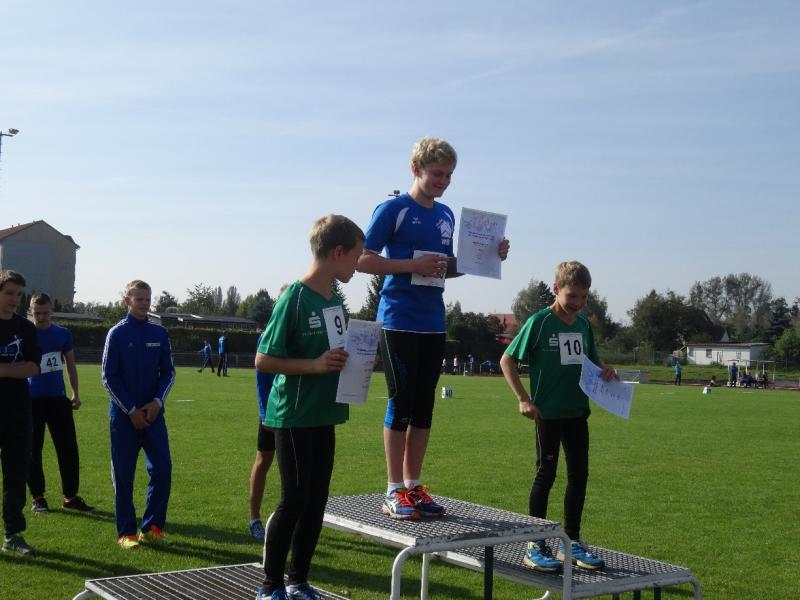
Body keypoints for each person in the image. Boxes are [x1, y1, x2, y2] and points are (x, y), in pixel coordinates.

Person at [358, 137, 509, 520]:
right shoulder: (393, 209)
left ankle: (413, 486)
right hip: (398, 320)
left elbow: (447, 267)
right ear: (416, 169)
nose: (443, 181)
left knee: (424, 406)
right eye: (437, 173)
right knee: (401, 403)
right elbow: (363, 259)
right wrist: (412, 265)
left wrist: (487, 255)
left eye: (449, 175)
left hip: (432, 323)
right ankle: (393, 489)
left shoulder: (446, 215)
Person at [254, 214, 364, 600]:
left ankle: (298, 581)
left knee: (316, 502)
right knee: (294, 500)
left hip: (324, 414)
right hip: (294, 415)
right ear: (338, 252)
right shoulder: (294, 298)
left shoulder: (333, 299)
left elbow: (333, 352)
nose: (359, 264)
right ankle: (270, 586)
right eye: (357, 255)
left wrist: (356, 359)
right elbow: (263, 359)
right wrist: (316, 366)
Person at [500, 261, 614, 573]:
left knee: (579, 476)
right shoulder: (539, 322)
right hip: (547, 414)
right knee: (546, 474)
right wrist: (523, 399)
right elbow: (507, 360)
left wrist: (605, 370)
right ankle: (535, 543)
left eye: (583, 297)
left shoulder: (584, 325)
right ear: (555, 289)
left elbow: (592, 360)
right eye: (571, 296)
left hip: (577, 412)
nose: (578, 303)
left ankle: (571, 541)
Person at [102, 280, 175, 550]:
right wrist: (131, 410)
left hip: (153, 416)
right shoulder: (117, 334)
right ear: (127, 301)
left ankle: (152, 528)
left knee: (163, 469)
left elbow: (168, 372)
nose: (144, 303)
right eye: (139, 299)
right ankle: (126, 532)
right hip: (124, 418)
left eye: (147, 299)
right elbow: (108, 377)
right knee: (124, 475)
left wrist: (157, 402)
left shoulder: (160, 332)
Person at [27, 293, 93, 514]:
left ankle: (70, 497)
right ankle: (38, 497)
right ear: (30, 312)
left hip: (58, 399)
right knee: (32, 450)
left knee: (68, 449)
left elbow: (70, 365)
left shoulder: (63, 334)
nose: (41, 317)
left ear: (51, 311)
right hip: (31, 400)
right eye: (37, 313)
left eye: (45, 313)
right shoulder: (25, 334)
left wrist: (75, 393)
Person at [0, 270, 41, 556]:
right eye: (9, 293)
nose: (14, 299)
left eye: (18, 294)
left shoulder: (25, 328)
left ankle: (13, 535)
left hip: (17, 412)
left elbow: (32, 367)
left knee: (15, 477)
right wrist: (15, 370)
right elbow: (23, 367)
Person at [248, 368, 275, 542]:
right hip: (272, 408)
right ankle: (255, 519)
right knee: (264, 460)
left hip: (297, 410)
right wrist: (265, 413)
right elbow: (262, 373)